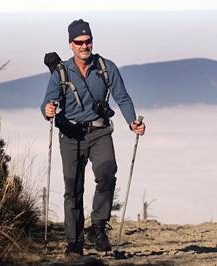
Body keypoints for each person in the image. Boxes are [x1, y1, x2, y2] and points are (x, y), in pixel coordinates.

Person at [40, 19, 145, 256]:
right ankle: (74, 243)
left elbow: (123, 97)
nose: (84, 46)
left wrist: (132, 122)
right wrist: (48, 110)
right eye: (79, 42)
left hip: (99, 132)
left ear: (92, 42)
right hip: (70, 135)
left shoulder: (107, 68)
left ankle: (98, 226)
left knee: (107, 175)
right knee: (73, 188)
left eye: (88, 41)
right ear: (70, 44)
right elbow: (47, 102)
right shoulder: (61, 72)